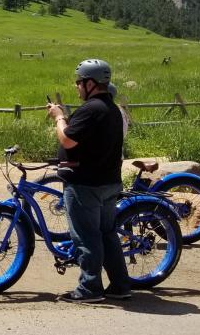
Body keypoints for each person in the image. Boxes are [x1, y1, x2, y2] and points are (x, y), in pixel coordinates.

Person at [46, 59, 130, 303]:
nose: (77, 87)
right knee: (106, 234)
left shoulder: (91, 108)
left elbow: (68, 140)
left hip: (86, 184)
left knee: (86, 236)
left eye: (79, 83)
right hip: (108, 182)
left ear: (90, 83)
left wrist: (59, 117)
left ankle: (89, 289)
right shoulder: (113, 109)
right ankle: (120, 285)